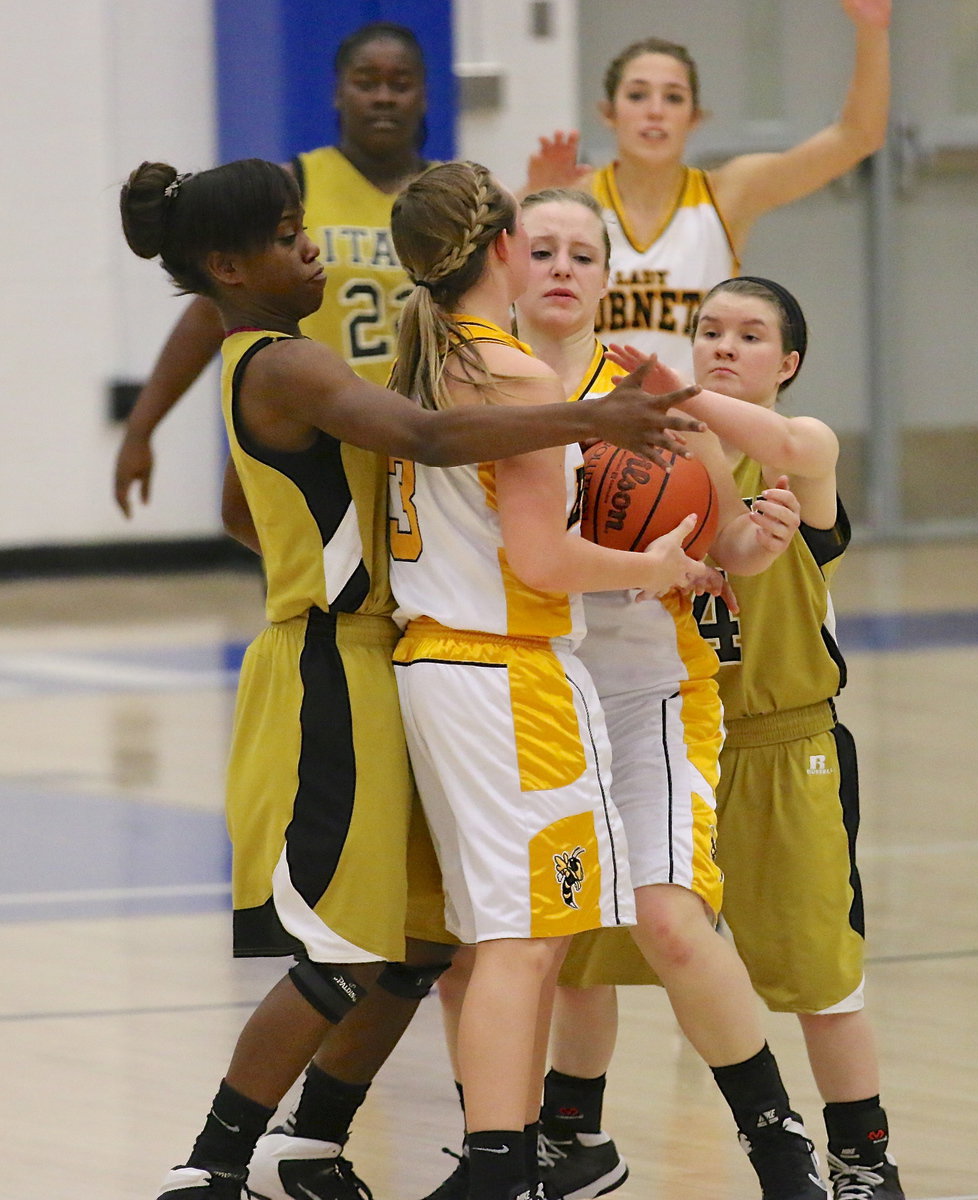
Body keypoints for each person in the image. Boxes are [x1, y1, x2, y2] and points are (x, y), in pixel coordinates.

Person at [118, 156, 701, 1200]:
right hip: (326, 671)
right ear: (226, 263)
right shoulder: (283, 363)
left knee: (421, 940)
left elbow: (239, 512)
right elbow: (429, 438)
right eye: (291, 236)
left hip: (382, 657)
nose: (311, 251)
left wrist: (330, 550)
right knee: (344, 951)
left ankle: (310, 1142)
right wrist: (590, 419)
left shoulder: (299, 362)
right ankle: (208, 1164)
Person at [417, 188, 836, 1200]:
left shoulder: (652, 393)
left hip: (649, 687)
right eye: (545, 249)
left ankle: (783, 1151)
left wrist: (753, 542)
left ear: (609, 280)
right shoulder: (464, 381)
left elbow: (723, 538)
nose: (563, 268)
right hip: (527, 690)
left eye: (584, 255)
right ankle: (525, 1154)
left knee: (667, 919)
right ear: (512, 263)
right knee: (520, 948)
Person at [542, 277, 905, 1200]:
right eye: (709, 332)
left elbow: (783, 442)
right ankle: (571, 1135)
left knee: (818, 974)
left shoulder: (800, 451)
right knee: (585, 957)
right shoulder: (651, 457)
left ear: (786, 363)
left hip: (782, 745)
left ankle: (863, 1164)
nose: (724, 348)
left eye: (749, 336)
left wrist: (667, 386)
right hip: (658, 725)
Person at [384, 161, 704, 1200]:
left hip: (437, 662)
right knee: (529, 945)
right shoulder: (516, 377)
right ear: (504, 253)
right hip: (509, 674)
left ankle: (504, 1162)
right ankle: (496, 1169)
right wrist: (654, 570)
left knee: (497, 944)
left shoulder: (425, 365)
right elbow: (546, 562)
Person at [114, 21, 433, 517]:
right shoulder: (292, 185)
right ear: (337, 94)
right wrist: (141, 428)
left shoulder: (450, 195)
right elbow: (206, 314)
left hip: (420, 440)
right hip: (319, 437)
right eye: (366, 82)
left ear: (425, 95)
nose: (384, 98)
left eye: (401, 83)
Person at [525, 0, 891, 380]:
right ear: (608, 112)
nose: (655, 111)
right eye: (637, 95)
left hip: (691, 425)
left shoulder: (728, 194)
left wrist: (872, 30)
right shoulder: (575, 202)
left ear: (695, 117)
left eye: (673, 97)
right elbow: (494, 269)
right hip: (591, 424)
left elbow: (857, 137)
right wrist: (532, 192)